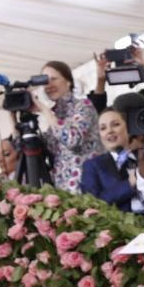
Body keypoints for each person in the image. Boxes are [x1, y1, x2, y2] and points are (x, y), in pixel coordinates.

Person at [81, 109, 144, 218]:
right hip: (118, 228)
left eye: (115, 125)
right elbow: (93, 202)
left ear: (128, 128)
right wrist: (130, 183)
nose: (110, 131)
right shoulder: (92, 165)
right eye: (103, 128)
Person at [36, 60, 101, 193]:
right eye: (44, 81)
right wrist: (13, 118)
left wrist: (42, 109)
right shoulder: (55, 117)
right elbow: (38, 153)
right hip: (65, 194)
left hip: (88, 190)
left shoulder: (83, 106)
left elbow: (72, 140)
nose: (49, 84)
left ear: (68, 81)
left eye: (53, 79)